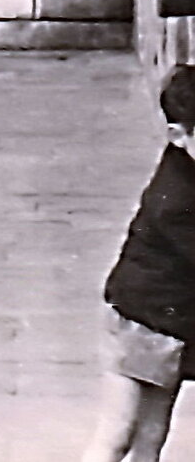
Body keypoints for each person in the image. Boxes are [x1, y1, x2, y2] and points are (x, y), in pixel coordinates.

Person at [83, 65, 195, 462]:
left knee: (152, 431)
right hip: (141, 321)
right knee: (117, 433)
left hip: (171, 323)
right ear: (177, 136)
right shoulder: (176, 200)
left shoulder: (187, 164)